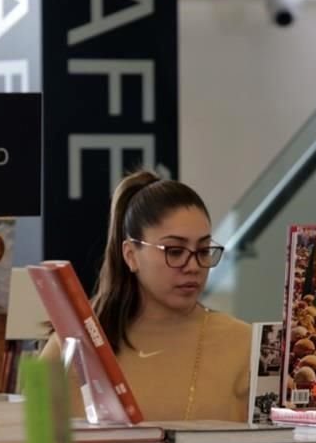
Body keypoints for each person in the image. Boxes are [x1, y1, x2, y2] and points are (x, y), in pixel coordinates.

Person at [41, 170, 252, 422]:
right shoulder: (73, 345)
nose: (193, 266)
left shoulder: (244, 345)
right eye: (175, 251)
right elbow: (30, 436)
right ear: (131, 255)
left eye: (204, 250)